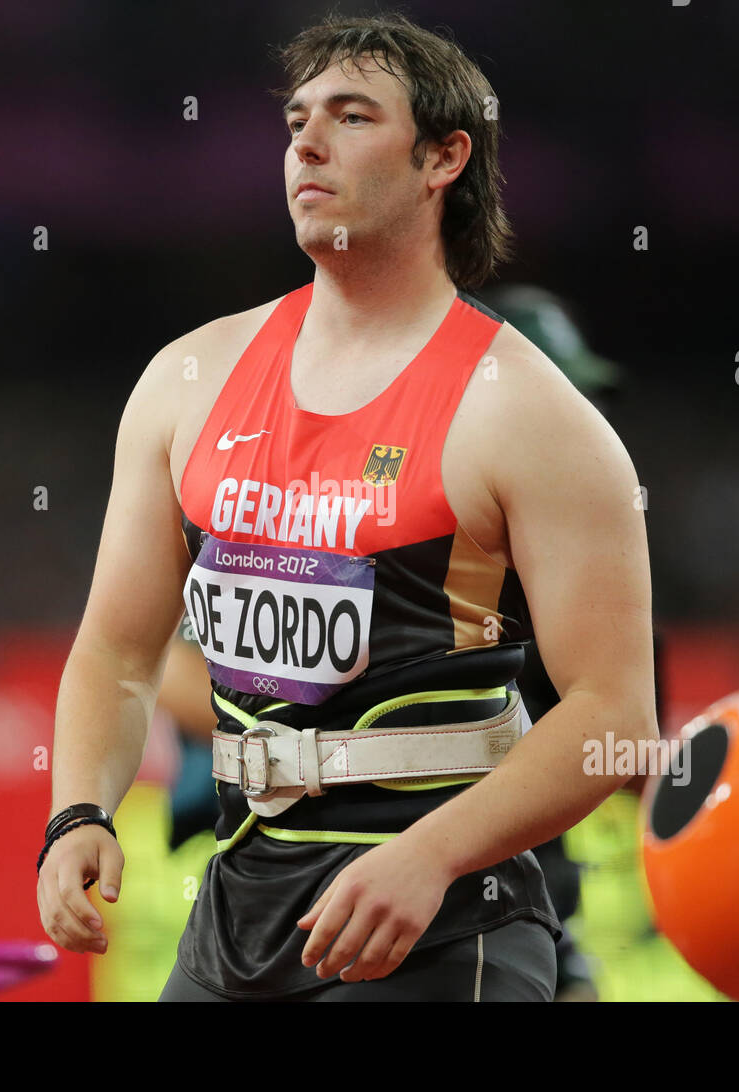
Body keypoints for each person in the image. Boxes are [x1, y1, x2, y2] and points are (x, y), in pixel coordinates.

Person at [36, 11, 658, 1002]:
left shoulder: (534, 418)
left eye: (351, 116)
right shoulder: (185, 381)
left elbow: (613, 716)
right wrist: (77, 814)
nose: (305, 143)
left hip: (442, 929)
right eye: (295, 121)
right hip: (230, 927)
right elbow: (116, 653)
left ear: (442, 158)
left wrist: (432, 857)